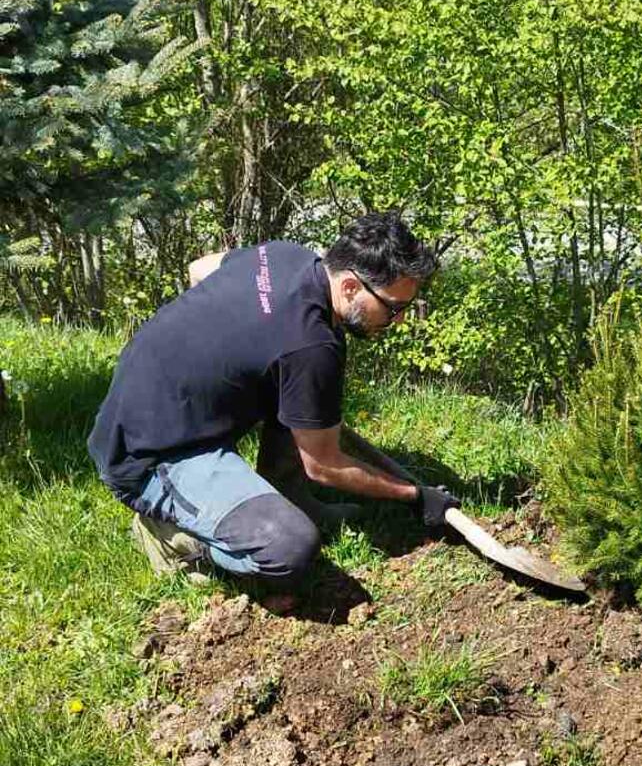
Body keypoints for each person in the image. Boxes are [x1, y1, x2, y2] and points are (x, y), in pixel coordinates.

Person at [88, 210, 457, 610]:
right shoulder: (311, 347)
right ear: (350, 286)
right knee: (289, 549)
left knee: (298, 401)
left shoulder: (285, 257)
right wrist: (413, 495)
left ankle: (295, 498)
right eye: (393, 308)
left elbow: (200, 270)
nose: (397, 321)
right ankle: (177, 539)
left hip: (150, 403)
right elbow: (325, 466)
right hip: (151, 455)